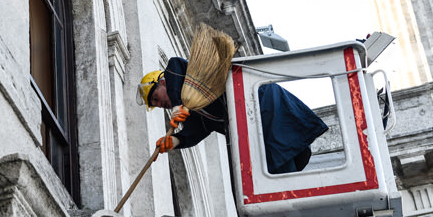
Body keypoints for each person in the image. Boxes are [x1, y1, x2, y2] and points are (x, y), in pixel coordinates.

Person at [136, 57, 328, 173]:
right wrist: (176, 141)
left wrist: (180, 103)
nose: (160, 105)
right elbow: (198, 129)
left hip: (263, 107)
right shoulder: (195, 109)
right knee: (276, 175)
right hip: (254, 132)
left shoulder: (181, 74)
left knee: (280, 165)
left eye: (156, 98)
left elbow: (175, 65)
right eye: (156, 105)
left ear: (162, 82)